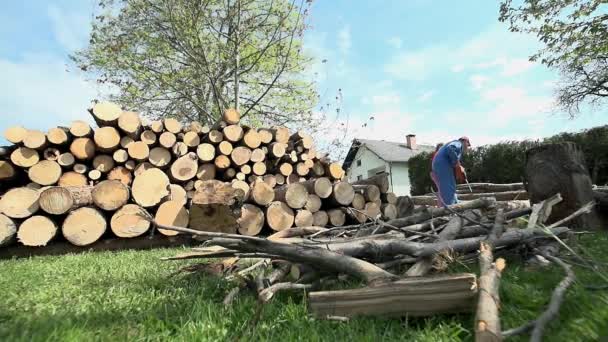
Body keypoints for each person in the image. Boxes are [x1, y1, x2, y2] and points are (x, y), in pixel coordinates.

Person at [431, 137, 471, 207]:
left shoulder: (456, 145)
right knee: (448, 187)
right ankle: (449, 209)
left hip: (442, 165)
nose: (467, 147)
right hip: (443, 165)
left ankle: (454, 203)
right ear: (464, 141)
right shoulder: (458, 143)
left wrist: (458, 167)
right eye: (468, 145)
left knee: (450, 186)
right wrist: (457, 163)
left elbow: (452, 158)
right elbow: (450, 148)